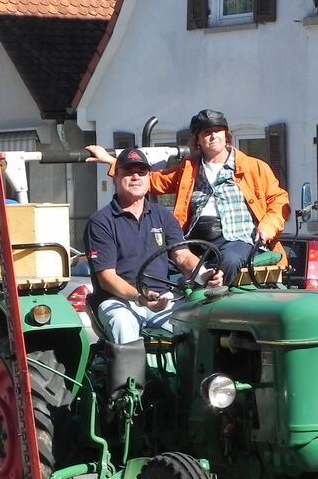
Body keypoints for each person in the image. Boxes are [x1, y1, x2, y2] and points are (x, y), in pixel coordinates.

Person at [87, 109, 291, 284]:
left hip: (237, 238)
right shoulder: (189, 168)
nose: (213, 137)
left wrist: (268, 226)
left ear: (226, 136)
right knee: (160, 264)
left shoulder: (254, 167)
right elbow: (153, 181)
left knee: (229, 260)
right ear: (198, 141)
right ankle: (153, 308)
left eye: (217, 131)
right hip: (197, 240)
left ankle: (216, 301)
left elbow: (279, 200)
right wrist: (110, 161)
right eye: (207, 133)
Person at [83, 147, 223, 345]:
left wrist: (204, 274)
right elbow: (107, 278)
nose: (135, 177)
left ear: (149, 178)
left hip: (164, 299)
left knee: (198, 324)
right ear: (115, 177)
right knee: (123, 322)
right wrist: (140, 297)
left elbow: (182, 255)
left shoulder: (163, 216)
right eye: (128, 172)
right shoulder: (101, 221)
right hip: (118, 301)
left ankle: (199, 376)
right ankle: (130, 377)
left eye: (141, 172)